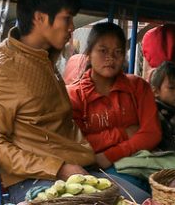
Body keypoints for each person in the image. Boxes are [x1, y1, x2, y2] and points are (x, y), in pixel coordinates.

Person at [0, 0, 148, 204]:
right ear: (40, 18)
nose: (71, 28)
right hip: (36, 181)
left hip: (77, 171)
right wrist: (59, 168)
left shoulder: (46, 58)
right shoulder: (0, 70)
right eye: (67, 19)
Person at [67, 22, 162, 192]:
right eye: (103, 51)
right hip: (90, 170)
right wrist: (124, 133)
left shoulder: (138, 87)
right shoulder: (74, 94)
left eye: (118, 52)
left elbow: (151, 134)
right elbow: (78, 145)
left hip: (138, 165)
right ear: (88, 53)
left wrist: (108, 155)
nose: (111, 57)